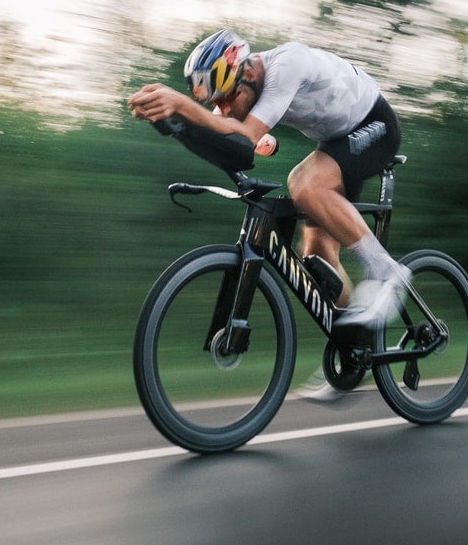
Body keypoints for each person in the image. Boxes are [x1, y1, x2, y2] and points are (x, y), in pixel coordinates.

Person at [127, 30, 409, 401]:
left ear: (247, 73)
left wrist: (181, 105)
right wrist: (171, 123)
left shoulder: (285, 64)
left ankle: (386, 271)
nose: (223, 109)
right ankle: (354, 354)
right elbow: (237, 144)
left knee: (303, 183)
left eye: (227, 99)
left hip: (376, 125)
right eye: (217, 102)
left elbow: (243, 134)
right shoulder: (240, 92)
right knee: (317, 259)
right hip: (339, 143)